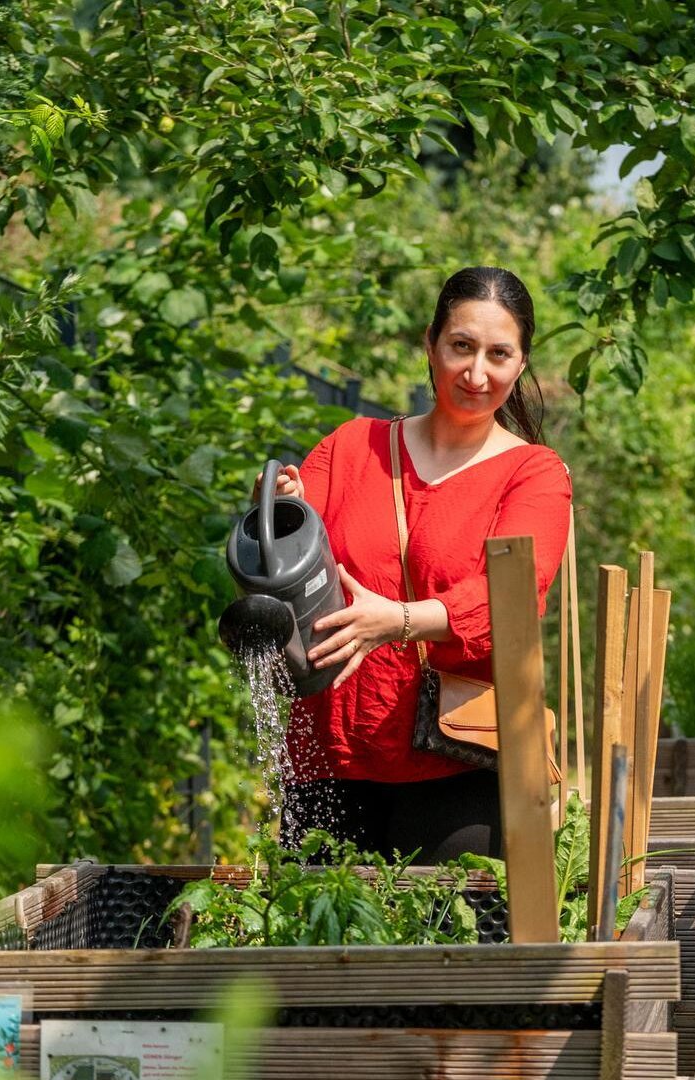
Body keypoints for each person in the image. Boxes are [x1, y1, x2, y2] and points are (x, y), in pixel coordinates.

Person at [256, 266, 571, 863]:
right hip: (331, 751)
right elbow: (294, 560)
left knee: (446, 944)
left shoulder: (534, 473)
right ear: (430, 345)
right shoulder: (351, 448)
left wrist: (397, 620)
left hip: (455, 759)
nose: (477, 373)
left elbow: (512, 594)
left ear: (521, 364)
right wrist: (277, 515)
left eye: (498, 354)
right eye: (461, 347)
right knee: (321, 948)